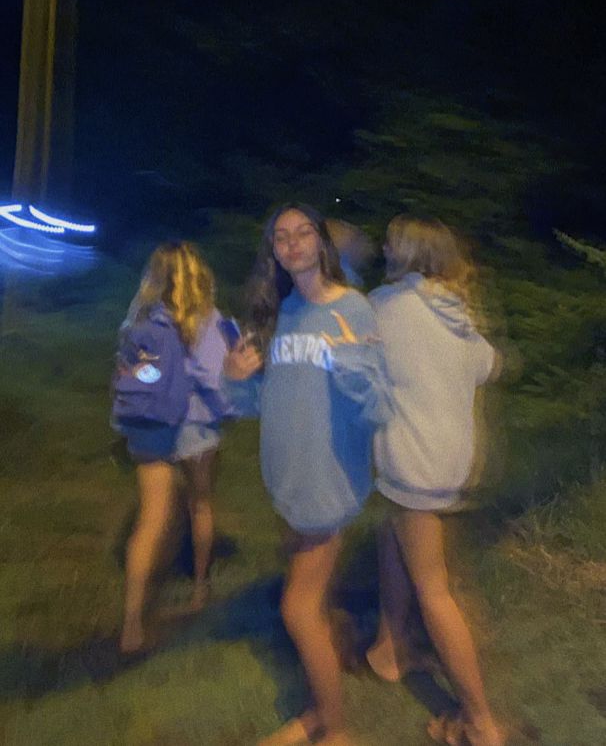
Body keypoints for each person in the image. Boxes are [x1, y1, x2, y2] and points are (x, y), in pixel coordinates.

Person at [223, 203, 391, 746]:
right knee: (310, 606)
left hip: (327, 480)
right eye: (281, 236)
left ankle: (335, 728)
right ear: (272, 250)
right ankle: (319, 706)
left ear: (321, 243)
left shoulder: (355, 310)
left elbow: (379, 410)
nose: (292, 243)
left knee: (297, 608)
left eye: (304, 233)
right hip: (287, 481)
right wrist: (236, 380)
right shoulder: (280, 313)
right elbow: (260, 404)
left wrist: (349, 364)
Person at [367, 217, 506, 746]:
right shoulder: (456, 309)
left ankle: (479, 720)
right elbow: (487, 366)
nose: (383, 246)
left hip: (413, 461)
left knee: (434, 587)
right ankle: (389, 647)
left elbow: (350, 363)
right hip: (450, 459)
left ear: (406, 252)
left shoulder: (385, 306)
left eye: (390, 241)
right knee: (390, 532)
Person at [115, 241, 232, 654]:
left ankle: (131, 624)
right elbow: (217, 380)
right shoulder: (211, 321)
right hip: (198, 431)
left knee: (150, 521)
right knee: (200, 505)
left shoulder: (140, 320)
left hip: (152, 429)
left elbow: (134, 373)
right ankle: (200, 588)